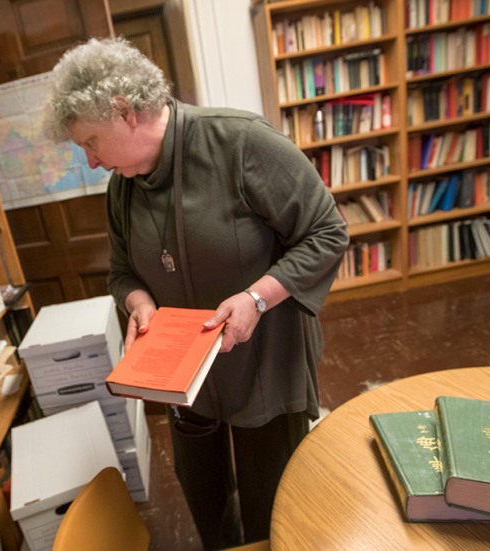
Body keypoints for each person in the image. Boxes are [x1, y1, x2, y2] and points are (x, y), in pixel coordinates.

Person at [44, 37, 349, 548]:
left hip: (265, 359)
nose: (92, 162)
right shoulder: (122, 186)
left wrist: (256, 299)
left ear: (125, 112)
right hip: (182, 376)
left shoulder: (240, 141)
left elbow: (327, 232)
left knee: (270, 505)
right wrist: (139, 305)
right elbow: (122, 273)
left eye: (91, 143)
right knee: (207, 503)